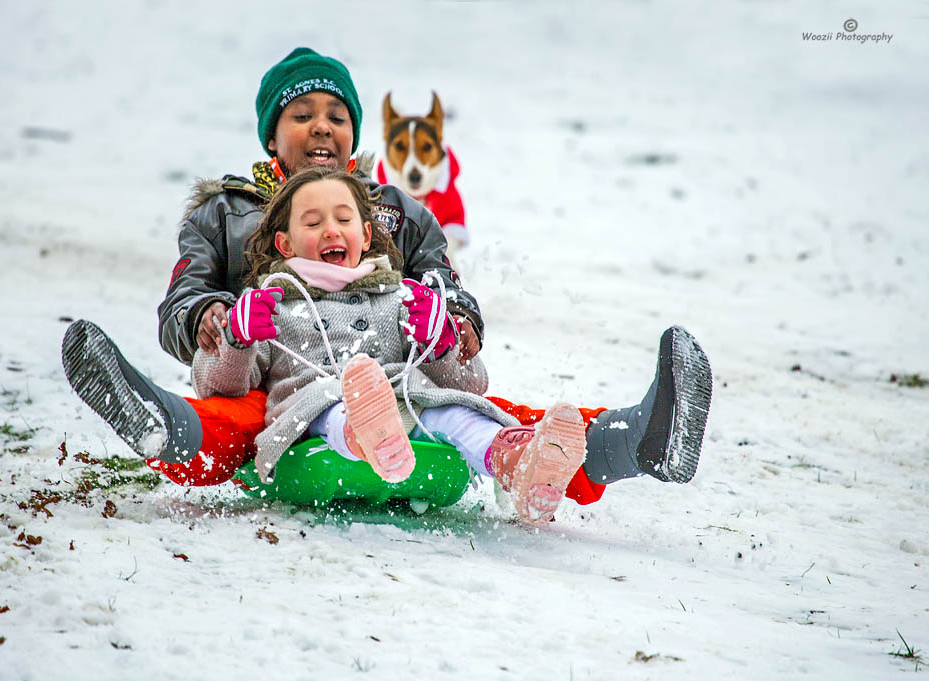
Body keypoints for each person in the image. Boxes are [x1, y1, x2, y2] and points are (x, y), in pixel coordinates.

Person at [65, 47, 711, 520]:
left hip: (400, 373)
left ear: (352, 134)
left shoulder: (395, 211)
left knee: (490, 417)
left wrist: (449, 322)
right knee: (235, 417)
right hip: (274, 378)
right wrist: (217, 319)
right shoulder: (224, 213)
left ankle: (636, 441)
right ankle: (159, 422)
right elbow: (184, 298)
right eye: (301, 113)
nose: (321, 125)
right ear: (271, 134)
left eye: (336, 115)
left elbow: (443, 281)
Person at [187, 166, 589, 523]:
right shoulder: (270, 306)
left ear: (364, 235)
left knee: (450, 409)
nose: (330, 230)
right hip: (317, 415)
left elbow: (471, 383)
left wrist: (440, 344)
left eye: (343, 219)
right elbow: (215, 386)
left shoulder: (399, 297)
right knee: (334, 405)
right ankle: (364, 435)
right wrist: (236, 339)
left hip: (404, 401)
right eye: (312, 224)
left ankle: (518, 464)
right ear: (285, 245)